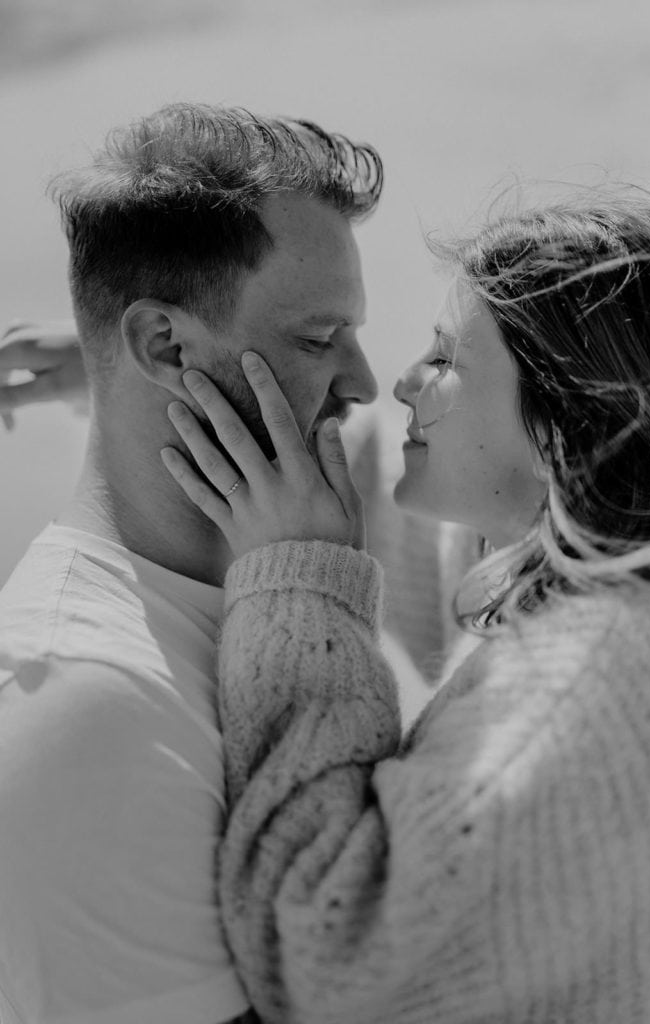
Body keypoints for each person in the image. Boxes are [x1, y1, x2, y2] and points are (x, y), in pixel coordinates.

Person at [158, 193, 650, 1023]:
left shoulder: (583, 691)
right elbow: (364, 471)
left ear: (562, 428)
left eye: (444, 359)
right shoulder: (588, 578)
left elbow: (330, 960)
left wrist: (301, 580)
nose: (398, 383)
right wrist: (187, 366)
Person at [0, 101, 469, 1024]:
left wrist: (118, 374)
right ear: (165, 345)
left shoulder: (278, 577)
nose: (365, 384)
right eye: (317, 339)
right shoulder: (86, 706)